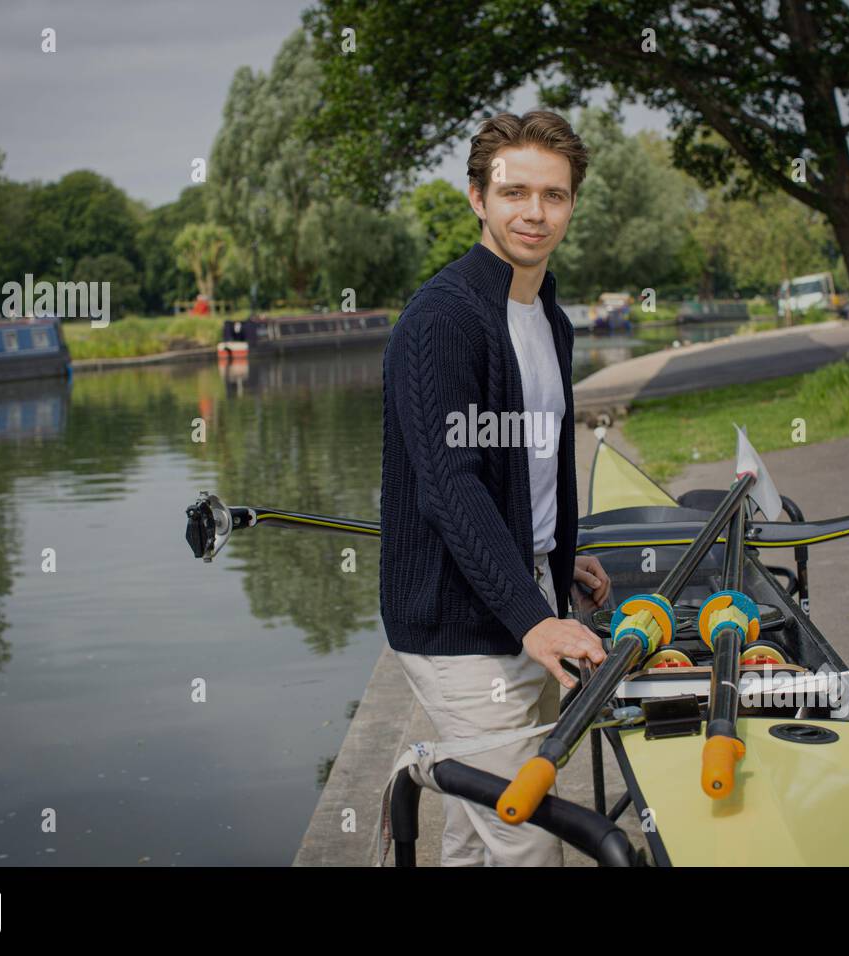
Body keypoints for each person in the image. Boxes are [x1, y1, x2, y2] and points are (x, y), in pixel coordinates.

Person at [380, 110, 611, 866]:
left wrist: (551, 553)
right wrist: (530, 616)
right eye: (515, 193)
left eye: (555, 195)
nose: (535, 213)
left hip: (524, 593)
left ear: (573, 204)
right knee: (530, 833)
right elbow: (452, 486)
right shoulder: (444, 320)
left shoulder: (546, 313)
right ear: (479, 197)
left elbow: (525, 457)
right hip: (461, 624)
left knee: (477, 834)